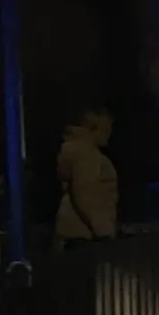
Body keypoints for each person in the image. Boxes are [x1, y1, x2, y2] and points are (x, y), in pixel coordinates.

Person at [55, 105, 119, 250]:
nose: (109, 133)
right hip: (84, 237)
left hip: (76, 234)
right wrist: (103, 230)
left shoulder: (76, 149)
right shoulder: (85, 153)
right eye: (106, 129)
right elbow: (85, 193)